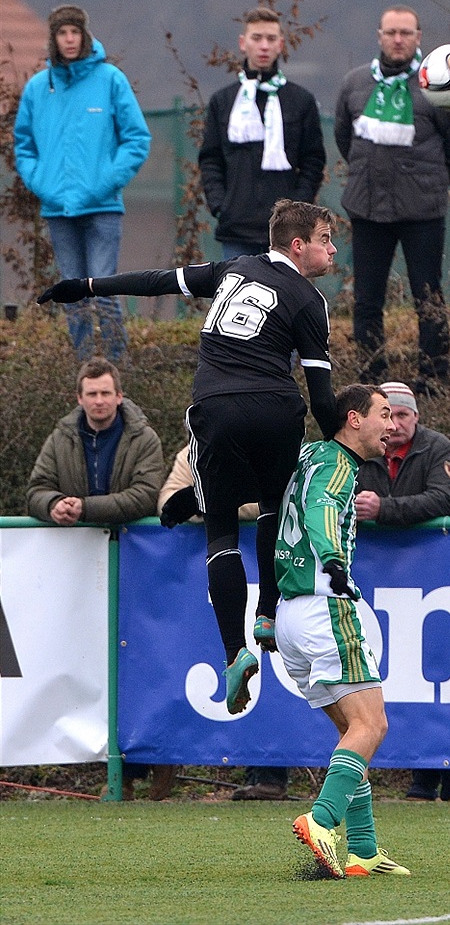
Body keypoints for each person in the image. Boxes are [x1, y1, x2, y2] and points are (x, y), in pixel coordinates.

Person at [38, 199, 339, 720]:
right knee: (274, 502)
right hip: (276, 408)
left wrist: (85, 287)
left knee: (220, 527)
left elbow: (152, 281)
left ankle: (233, 652)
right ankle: (267, 613)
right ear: (298, 245)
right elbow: (323, 399)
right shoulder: (311, 301)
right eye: (326, 238)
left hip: (216, 408)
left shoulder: (229, 270)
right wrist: (354, 436)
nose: (333, 249)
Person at [276, 384, 410, 878]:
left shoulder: (309, 455)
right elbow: (321, 512)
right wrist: (333, 560)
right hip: (325, 605)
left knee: (352, 731)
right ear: (354, 419)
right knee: (372, 726)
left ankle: (365, 851)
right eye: (384, 415)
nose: (392, 425)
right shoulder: (336, 464)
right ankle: (323, 819)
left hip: (292, 613)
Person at [26, 357, 172, 801]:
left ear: (120, 396)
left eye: (106, 392)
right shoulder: (61, 435)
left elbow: (148, 496)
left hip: (140, 563)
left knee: (148, 663)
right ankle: (120, 773)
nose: (99, 401)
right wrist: (52, 506)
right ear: (79, 398)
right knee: (94, 664)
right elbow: (36, 487)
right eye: (91, 393)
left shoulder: (142, 436)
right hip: (79, 572)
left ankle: (162, 762)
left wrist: (87, 509)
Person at [334, 5, 450, 390]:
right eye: (391, 32)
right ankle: (370, 377)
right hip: (367, 210)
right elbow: (344, 139)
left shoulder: (438, 83)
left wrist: (432, 180)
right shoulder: (354, 84)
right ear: (379, 36)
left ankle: (434, 377)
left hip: (422, 214)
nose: (398, 39)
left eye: (406, 32)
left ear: (418, 37)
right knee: (366, 301)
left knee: (427, 297)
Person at [14, 4, 151, 364]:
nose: (69, 39)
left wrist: (105, 182)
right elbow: (23, 145)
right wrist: (42, 184)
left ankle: (119, 368)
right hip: (58, 209)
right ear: (54, 38)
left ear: (85, 35)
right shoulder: (37, 89)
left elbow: (136, 139)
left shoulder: (110, 80)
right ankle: (82, 370)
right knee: (70, 294)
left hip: (103, 208)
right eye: (62, 32)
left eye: (75, 31)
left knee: (104, 289)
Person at [158, 446, 288, 800]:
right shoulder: (195, 453)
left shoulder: (211, 449)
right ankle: (266, 612)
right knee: (279, 679)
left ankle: (271, 771)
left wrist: (206, 499)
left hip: (224, 571)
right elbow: (166, 503)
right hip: (268, 575)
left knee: (266, 681)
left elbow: (180, 504)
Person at [355, 379, 450, 802]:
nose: (394, 423)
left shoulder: (438, 449)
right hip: (368, 580)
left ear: (416, 416)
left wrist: (384, 510)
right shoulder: (358, 449)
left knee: (431, 673)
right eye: (386, 414)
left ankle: (435, 769)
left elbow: (443, 500)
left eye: (402, 415)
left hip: (431, 577)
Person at [199, 6, 326, 260]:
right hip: (236, 229)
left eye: (270, 39)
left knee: (285, 298)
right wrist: (221, 206)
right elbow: (210, 159)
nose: (264, 46)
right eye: (257, 38)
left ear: (280, 45)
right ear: (243, 43)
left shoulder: (300, 101)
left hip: (288, 234)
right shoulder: (223, 101)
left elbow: (313, 161)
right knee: (238, 298)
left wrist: (296, 208)